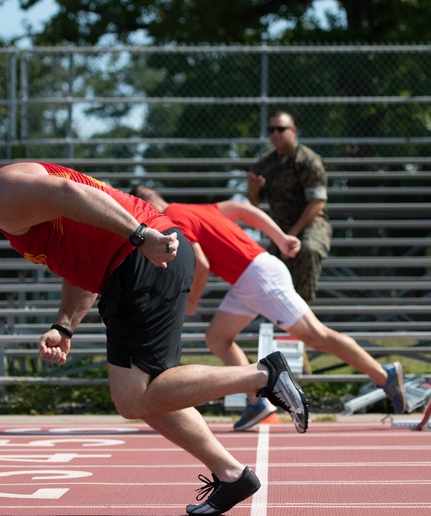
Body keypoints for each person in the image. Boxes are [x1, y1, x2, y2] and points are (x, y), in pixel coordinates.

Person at [0, 148, 309, 516]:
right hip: (128, 264)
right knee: (143, 394)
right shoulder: (3, 194)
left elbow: (69, 193)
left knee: (135, 398)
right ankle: (231, 475)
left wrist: (141, 236)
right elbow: (80, 255)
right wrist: (64, 326)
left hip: (139, 258)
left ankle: (264, 376)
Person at [129, 185, 408, 432]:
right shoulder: (196, 209)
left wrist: (192, 302)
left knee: (315, 336)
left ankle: (385, 376)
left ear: (146, 207)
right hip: (247, 281)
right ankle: (257, 403)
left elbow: (201, 264)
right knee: (217, 338)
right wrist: (281, 237)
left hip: (259, 276)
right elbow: (242, 209)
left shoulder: (174, 219)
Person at [247, 111, 331, 303]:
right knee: (270, 267)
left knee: (308, 249)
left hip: (311, 225)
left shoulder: (308, 161)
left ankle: (304, 311)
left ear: (293, 131)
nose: (275, 134)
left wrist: (291, 235)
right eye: (271, 130)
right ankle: (285, 318)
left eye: (281, 129)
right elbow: (255, 202)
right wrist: (253, 190)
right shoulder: (266, 164)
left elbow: (317, 203)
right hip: (280, 228)